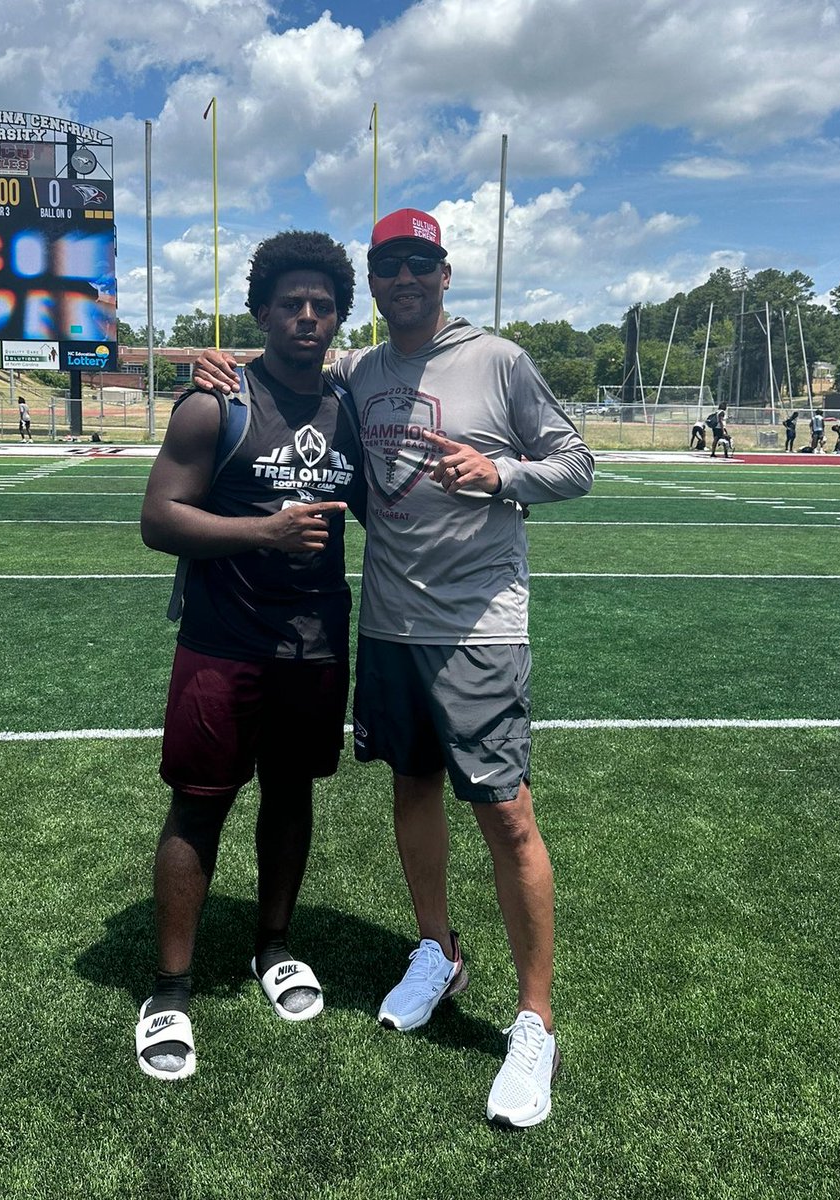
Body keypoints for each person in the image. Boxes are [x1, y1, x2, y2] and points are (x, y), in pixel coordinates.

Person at [194, 208, 594, 1128]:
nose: (405, 279)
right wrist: (216, 367)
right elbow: (287, 365)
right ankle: (437, 951)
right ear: (372, 283)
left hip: (479, 628)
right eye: (389, 267)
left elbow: (577, 463)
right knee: (411, 789)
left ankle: (535, 1020)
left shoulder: (499, 360)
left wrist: (500, 476)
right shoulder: (362, 370)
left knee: (506, 813)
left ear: (445, 273)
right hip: (388, 626)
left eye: (420, 264)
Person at [136, 231, 363, 1084]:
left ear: (338, 319)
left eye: (322, 305)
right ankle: (170, 989)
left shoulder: (349, 411)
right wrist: (263, 532)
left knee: (292, 793)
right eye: (291, 303)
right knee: (199, 806)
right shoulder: (216, 403)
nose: (307, 316)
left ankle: (273, 945)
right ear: (262, 311)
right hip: (223, 643)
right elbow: (159, 519)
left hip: (314, 643)